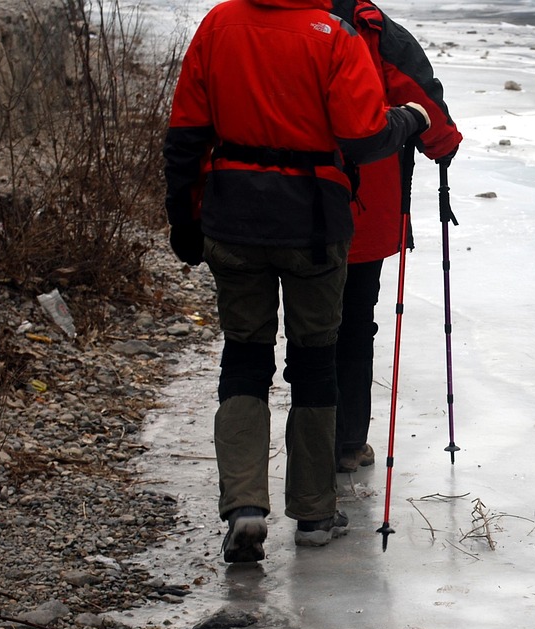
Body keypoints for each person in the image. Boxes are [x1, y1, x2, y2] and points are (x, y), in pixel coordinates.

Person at [164, 0, 429, 563]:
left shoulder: (218, 24)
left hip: (233, 217)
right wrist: (411, 119)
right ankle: (313, 513)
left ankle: (244, 506)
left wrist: (183, 218)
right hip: (313, 223)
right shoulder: (334, 35)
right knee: (314, 360)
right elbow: (363, 136)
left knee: (244, 356)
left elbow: (185, 134)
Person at [332, 0, 462, 474]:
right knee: (353, 321)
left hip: (269, 205)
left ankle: (305, 445)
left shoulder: (253, 20)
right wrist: (442, 144)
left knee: (300, 326)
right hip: (360, 207)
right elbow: (421, 99)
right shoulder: (373, 29)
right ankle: (346, 442)